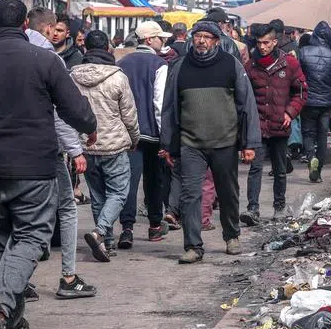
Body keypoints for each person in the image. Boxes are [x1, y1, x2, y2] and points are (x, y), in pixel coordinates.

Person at [0, 0, 97, 329]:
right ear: (25, 25)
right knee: (33, 237)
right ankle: (3, 306)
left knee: (5, 238)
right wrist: (89, 126)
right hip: (34, 166)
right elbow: (73, 107)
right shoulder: (45, 60)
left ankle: (12, 318)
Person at [160, 20, 261, 263]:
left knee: (228, 192)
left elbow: (246, 105)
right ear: (192, 39)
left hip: (224, 141)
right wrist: (168, 144)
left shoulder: (230, 65)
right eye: (198, 36)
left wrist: (249, 143)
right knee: (190, 195)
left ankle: (232, 235)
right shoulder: (180, 66)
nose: (202, 40)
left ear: (217, 41)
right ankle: (193, 246)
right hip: (190, 143)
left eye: (207, 37)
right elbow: (170, 107)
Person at [25, 15, 100, 305]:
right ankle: (68, 277)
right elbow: (61, 111)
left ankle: (17, 282)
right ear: (46, 29)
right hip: (45, 151)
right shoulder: (48, 59)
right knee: (65, 209)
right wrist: (78, 144)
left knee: (19, 218)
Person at [71, 30, 140, 260]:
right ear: (108, 49)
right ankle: (100, 232)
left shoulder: (72, 76)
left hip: (86, 147)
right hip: (114, 145)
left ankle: (106, 243)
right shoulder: (117, 76)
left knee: (98, 196)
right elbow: (129, 114)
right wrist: (134, 138)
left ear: (85, 49)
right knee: (119, 193)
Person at [243, 23, 306, 224]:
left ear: (275, 42)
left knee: (280, 170)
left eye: (266, 43)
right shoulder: (250, 67)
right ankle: (252, 209)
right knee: (255, 169)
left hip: (281, 124)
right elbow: (244, 97)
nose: (262, 47)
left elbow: (302, 92)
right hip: (258, 125)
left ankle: (279, 207)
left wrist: (290, 112)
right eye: (259, 43)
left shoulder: (289, 64)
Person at [119, 20, 171, 245]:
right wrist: (165, 137)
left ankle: (127, 228)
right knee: (154, 180)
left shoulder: (122, 63)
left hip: (127, 133)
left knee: (128, 181)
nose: (164, 41)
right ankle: (154, 226)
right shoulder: (159, 64)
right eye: (161, 37)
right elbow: (159, 103)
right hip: (151, 132)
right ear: (149, 40)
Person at [297, 20, 331, 183]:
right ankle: (318, 172)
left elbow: (297, 78)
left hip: (307, 101)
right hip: (326, 104)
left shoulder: (303, 52)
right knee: (322, 136)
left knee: (307, 133)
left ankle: (311, 157)